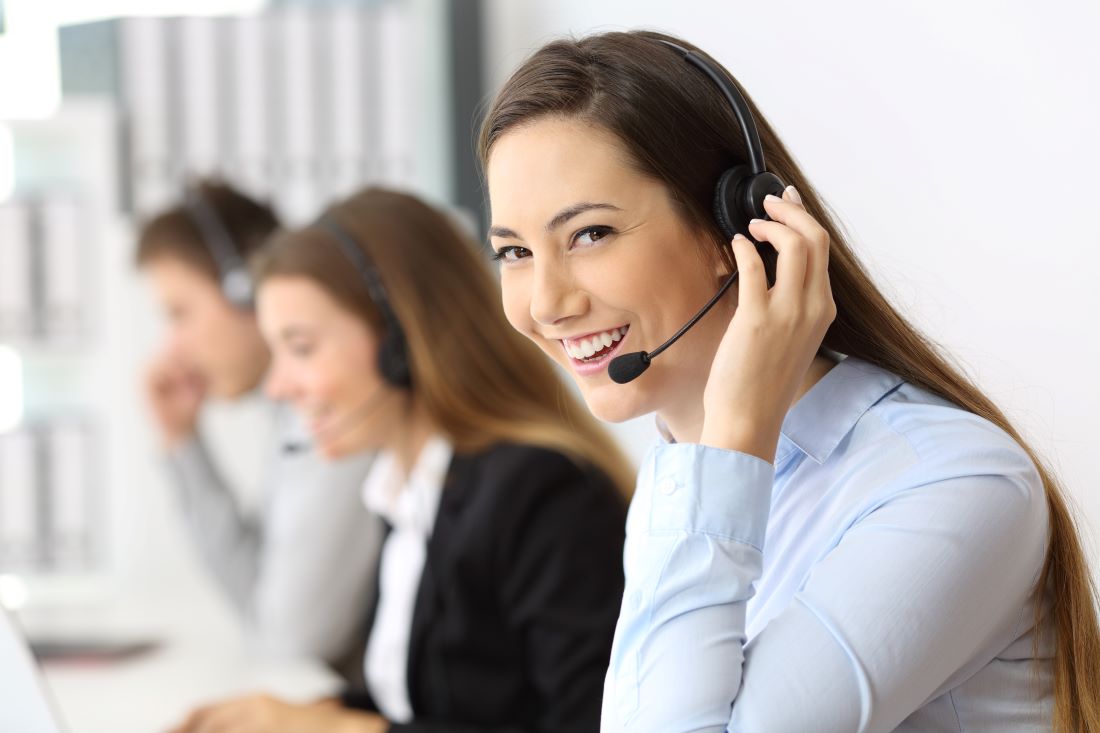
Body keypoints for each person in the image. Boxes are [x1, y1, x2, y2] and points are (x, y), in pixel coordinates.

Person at [479, 30, 1100, 733]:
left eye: (589, 234)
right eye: (515, 251)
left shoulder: (950, 482)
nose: (545, 302)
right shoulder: (680, 476)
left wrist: (736, 435)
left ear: (733, 227)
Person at [168, 186, 633, 733]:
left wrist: (338, 731)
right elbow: (431, 704)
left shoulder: (542, 494)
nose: (278, 387)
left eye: (301, 347)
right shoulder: (410, 493)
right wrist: (303, 716)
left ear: (400, 338)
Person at [135, 180, 381, 664]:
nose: (173, 348)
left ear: (245, 286)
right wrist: (182, 441)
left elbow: (288, 640)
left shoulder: (332, 410)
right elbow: (257, 600)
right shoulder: (289, 416)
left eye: (180, 313)